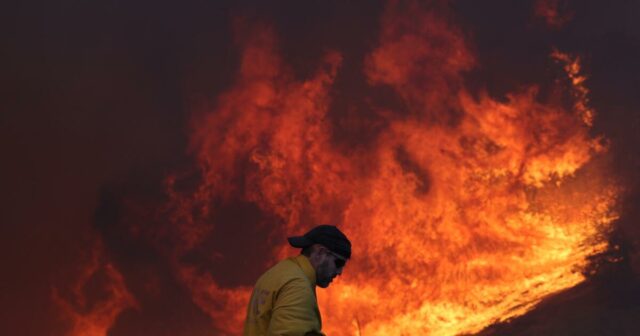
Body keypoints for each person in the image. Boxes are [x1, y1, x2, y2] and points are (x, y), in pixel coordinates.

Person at [243, 224, 351, 336]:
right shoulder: (298, 286)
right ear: (320, 253)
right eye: (339, 263)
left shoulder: (275, 274)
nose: (340, 272)